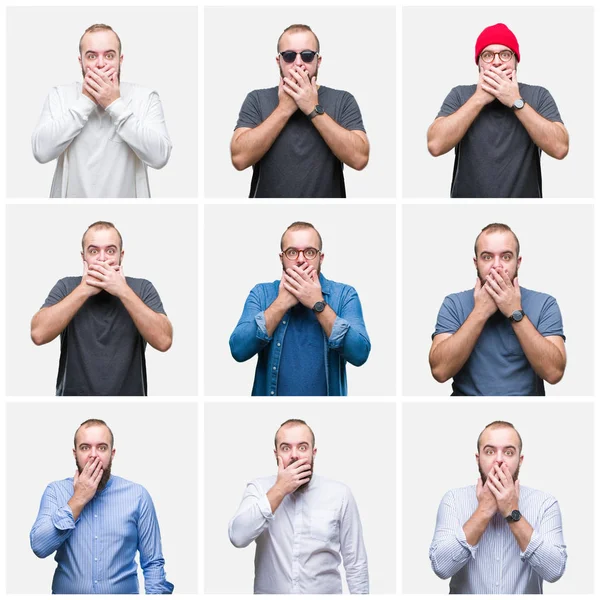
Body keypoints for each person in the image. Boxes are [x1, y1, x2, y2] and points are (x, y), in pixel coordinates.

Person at [30, 419, 174, 594]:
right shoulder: (55, 491)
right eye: (85, 447)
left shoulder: (138, 496)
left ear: (112, 454)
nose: (93, 455)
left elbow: (153, 564)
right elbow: (39, 547)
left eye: (102, 447)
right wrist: (78, 498)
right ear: (75, 454)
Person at [31, 220, 172, 395]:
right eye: (94, 251)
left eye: (110, 251)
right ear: (83, 257)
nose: (102, 258)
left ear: (121, 255)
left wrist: (122, 291)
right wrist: (84, 290)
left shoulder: (142, 288)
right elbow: (38, 334)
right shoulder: (66, 286)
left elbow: (164, 341)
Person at [427, 23, 568, 198]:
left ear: (516, 60)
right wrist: (479, 99)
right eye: (487, 55)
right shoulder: (460, 95)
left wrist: (516, 102)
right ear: (478, 63)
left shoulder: (538, 95)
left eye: (505, 54)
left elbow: (560, 148)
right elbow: (435, 145)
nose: (496, 61)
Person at [229, 221, 370, 395]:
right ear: (282, 258)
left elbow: (360, 353)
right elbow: (238, 350)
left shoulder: (345, 295)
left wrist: (318, 304)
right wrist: (281, 303)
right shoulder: (261, 293)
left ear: (321, 257)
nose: (301, 259)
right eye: (292, 252)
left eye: (310, 252)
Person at [229, 419, 369, 593]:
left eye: (302, 447)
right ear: (276, 454)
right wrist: (280, 489)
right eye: (286, 448)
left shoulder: (340, 495)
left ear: (313, 452)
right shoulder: (258, 489)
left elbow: (356, 563)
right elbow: (238, 536)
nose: (294, 455)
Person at [32, 23, 172, 198]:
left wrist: (114, 104)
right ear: (80, 61)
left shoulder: (145, 98)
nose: (100, 64)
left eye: (109, 55)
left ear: (120, 60)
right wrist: (85, 102)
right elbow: (41, 152)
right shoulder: (59, 95)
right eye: (91, 56)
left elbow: (160, 157)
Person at [231, 24, 369, 197]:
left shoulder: (343, 100)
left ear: (318, 61)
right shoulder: (257, 99)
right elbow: (239, 159)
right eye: (289, 56)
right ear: (278, 61)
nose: (298, 63)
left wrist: (312, 108)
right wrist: (283, 109)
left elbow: (359, 159)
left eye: (307, 56)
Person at [429, 420, 567, 593]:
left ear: (520, 460)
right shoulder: (454, 501)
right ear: (478, 459)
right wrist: (483, 511)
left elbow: (554, 571)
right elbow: (441, 567)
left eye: (509, 452)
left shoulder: (545, 504)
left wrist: (511, 511)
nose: (499, 459)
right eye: (490, 451)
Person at [429, 223, 566, 395]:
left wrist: (515, 312)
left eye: (506, 257)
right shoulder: (454, 304)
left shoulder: (545, 304)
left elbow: (554, 373)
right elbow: (440, 372)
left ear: (518, 262)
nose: (497, 266)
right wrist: (480, 313)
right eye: (487, 257)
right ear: (476, 263)